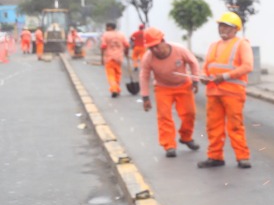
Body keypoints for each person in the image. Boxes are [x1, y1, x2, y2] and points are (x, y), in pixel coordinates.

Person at [198, 11, 254, 169]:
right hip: (213, 92)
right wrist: (203, 76)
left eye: (227, 26)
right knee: (213, 126)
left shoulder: (242, 44)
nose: (223, 29)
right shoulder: (213, 46)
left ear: (236, 29)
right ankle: (215, 157)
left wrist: (224, 76)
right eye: (221, 26)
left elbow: (248, 66)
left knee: (235, 125)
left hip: (232, 92)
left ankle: (242, 157)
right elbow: (207, 66)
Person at [138, 27, 202, 158]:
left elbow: (193, 62)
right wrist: (145, 97)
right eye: (151, 48)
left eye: (156, 46)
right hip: (163, 88)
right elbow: (144, 76)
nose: (155, 50)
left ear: (163, 41)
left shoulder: (179, 49)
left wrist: (195, 80)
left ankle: (186, 137)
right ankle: (169, 145)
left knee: (189, 113)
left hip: (184, 86)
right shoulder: (148, 58)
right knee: (164, 117)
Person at [99, 21, 130, 98]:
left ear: (110, 27)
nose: (105, 28)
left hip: (109, 58)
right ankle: (117, 89)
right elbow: (127, 45)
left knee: (111, 75)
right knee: (118, 74)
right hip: (119, 58)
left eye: (106, 27)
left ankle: (114, 89)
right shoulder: (121, 35)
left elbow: (103, 46)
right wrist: (126, 52)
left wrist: (102, 58)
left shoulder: (105, 35)